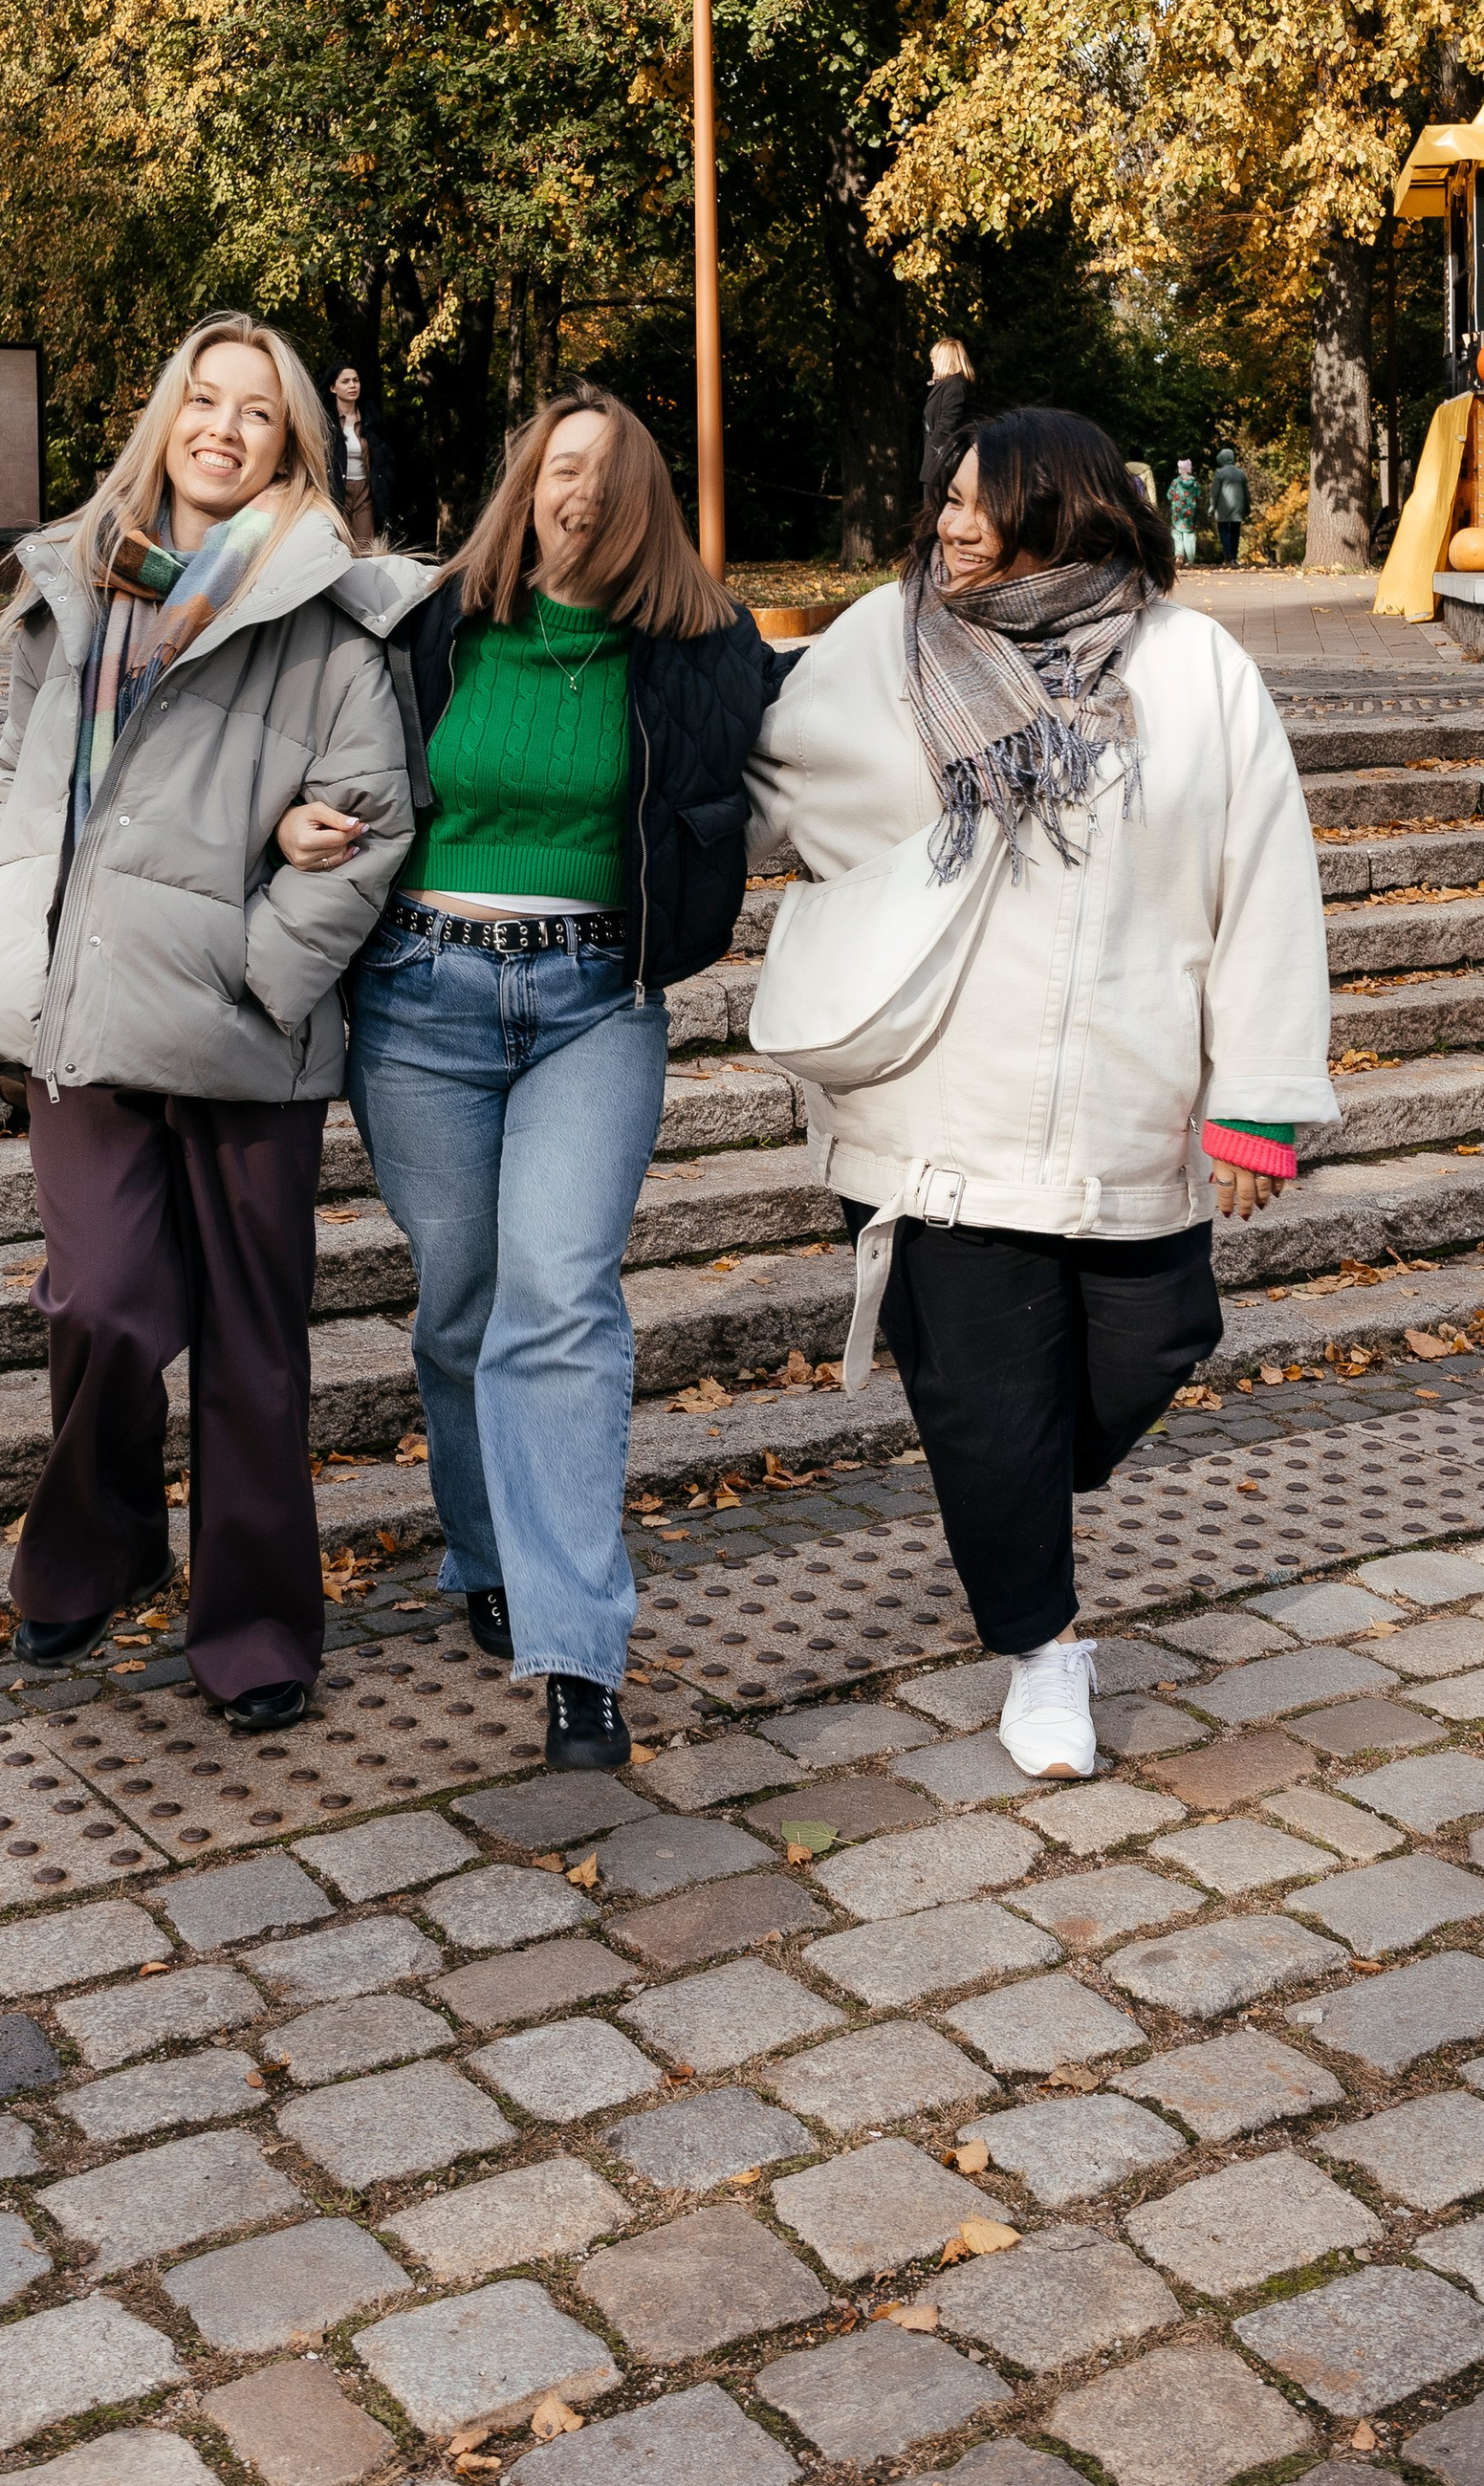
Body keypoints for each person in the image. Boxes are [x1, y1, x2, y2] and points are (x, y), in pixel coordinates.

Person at [746, 405, 1334, 1778]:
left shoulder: (1193, 664)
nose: (952, 525)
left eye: (982, 502)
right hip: (935, 1106)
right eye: (945, 499)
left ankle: (1002, 1473)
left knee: (1158, 1339)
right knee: (987, 1405)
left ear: (1063, 505)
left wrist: (1258, 1099)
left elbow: (1262, 878)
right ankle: (1045, 1650)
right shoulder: (882, 644)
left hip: (1131, 1095)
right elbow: (757, 779)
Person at [276, 385, 786, 1774]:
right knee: (464, 1301)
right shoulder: (430, 622)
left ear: (646, 503)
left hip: (595, 1003)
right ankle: (487, 1550)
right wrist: (287, 818)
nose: (583, 492)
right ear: (527, 485)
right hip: (419, 997)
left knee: (559, 1298)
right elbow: (294, 735)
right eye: (562, 467)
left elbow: (831, 737)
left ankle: (575, 1651)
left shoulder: (706, 648)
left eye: (611, 475)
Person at [0, 311, 418, 1731]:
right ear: (168, 417)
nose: (223, 428)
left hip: (239, 1028)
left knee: (254, 1347)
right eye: (203, 401)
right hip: (84, 1000)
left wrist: (260, 971)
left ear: (289, 444)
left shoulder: (330, 611)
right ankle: (100, 1545)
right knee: (99, 1302)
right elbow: (18, 783)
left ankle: (257, 1630)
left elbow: (371, 821)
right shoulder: (71, 583)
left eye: (256, 411)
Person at [321, 363, 395, 553]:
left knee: (365, 549)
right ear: (333, 388)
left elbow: (385, 458)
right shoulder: (325, 422)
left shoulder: (371, 420)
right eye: (345, 381)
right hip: (337, 491)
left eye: (356, 380)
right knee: (340, 548)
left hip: (365, 491)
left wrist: (385, 480)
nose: (352, 385)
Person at [922, 337, 983, 510]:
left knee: (935, 512)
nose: (933, 364)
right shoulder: (948, 385)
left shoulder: (955, 385)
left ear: (945, 359)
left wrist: (934, 453)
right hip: (938, 459)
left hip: (942, 462)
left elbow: (948, 423)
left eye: (934, 359)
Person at [1210, 440, 1252, 564]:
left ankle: (1228, 555)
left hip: (1223, 507)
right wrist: (1247, 506)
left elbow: (1215, 492)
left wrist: (1212, 507)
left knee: (1223, 530)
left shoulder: (1219, 473)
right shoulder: (1240, 473)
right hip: (1238, 507)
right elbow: (1246, 492)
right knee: (1235, 531)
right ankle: (1234, 555)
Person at [1168, 455, 1200, 566]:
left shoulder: (1175, 482)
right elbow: (1199, 494)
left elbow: (1169, 495)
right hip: (1190, 511)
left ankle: (1179, 554)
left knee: (1177, 532)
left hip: (1177, 511)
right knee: (1189, 533)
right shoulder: (1194, 482)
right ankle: (1190, 559)